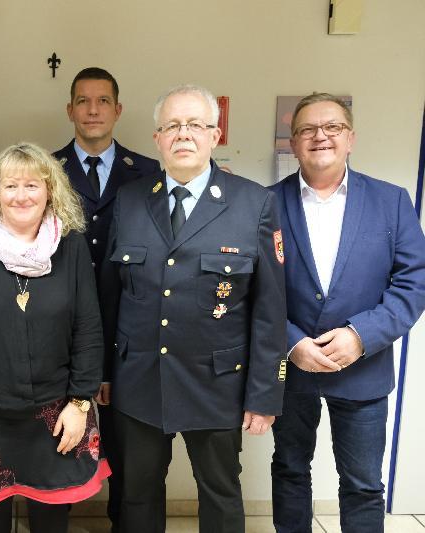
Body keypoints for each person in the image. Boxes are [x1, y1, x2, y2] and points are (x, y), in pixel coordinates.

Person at [99, 85, 287, 533]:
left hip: (217, 382)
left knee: (221, 494)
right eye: (172, 126)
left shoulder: (254, 202)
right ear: (157, 138)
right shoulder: (129, 200)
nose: (183, 134)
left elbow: (269, 308)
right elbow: (110, 296)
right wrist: (102, 372)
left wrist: (264, 393)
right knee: (136, 495)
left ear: (215, 135)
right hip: (139, 379)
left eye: (195, 125)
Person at [0, 142, 111, 533]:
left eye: (32, 185)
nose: (21, 195)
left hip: (55, 414)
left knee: (50, 522)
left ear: (50, 190)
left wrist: (80, 404)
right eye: (10, 185)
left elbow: (88, 330)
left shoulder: (72, 247)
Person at [270, 93, 425, 533]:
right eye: (307, 130)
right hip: (290, 367)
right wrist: (291, 341)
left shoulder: (392, 201)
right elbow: (253, 288)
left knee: (361, 485)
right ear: (294, 143)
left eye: (332, 127)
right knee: (290, 470)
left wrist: (360, 335)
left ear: (351, 138)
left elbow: (414, 283)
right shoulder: (264, 204)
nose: (320, 136)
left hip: (364, 367)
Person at [53, 66, 160, 532]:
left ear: (118, 110)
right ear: (70, 109)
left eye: (102, 101)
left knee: (128, 450)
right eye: (83, 101)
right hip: (60, 328)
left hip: (128, 328)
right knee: (55, 442)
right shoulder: (46, 171)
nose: (92, 110)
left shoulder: (150, 173)